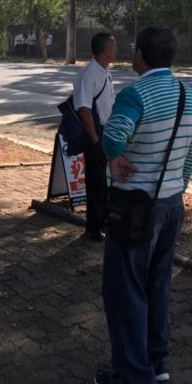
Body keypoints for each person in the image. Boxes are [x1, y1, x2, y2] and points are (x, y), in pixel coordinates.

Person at [96, 26, 192, 384]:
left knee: (125, 291)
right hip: (171, 205)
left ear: (140, 54)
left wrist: (114, 158)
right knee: (158, 286)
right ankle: (158, 364)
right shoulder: (190, 96)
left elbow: (113, 135)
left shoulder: (134, 94)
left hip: (134, 210)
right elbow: (191, 154)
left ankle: (131, 376)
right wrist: (177, 187)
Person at [72, 33, 117, 242]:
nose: (116, 49)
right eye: (113, 45)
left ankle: (104, 220)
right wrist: (95, 139)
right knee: (96, 182)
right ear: (105, 50)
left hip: (106, 132)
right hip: (96, 135)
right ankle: (94, 226)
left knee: (105, 181)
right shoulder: (90, 73)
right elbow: (84, 109)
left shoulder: (105, 72)